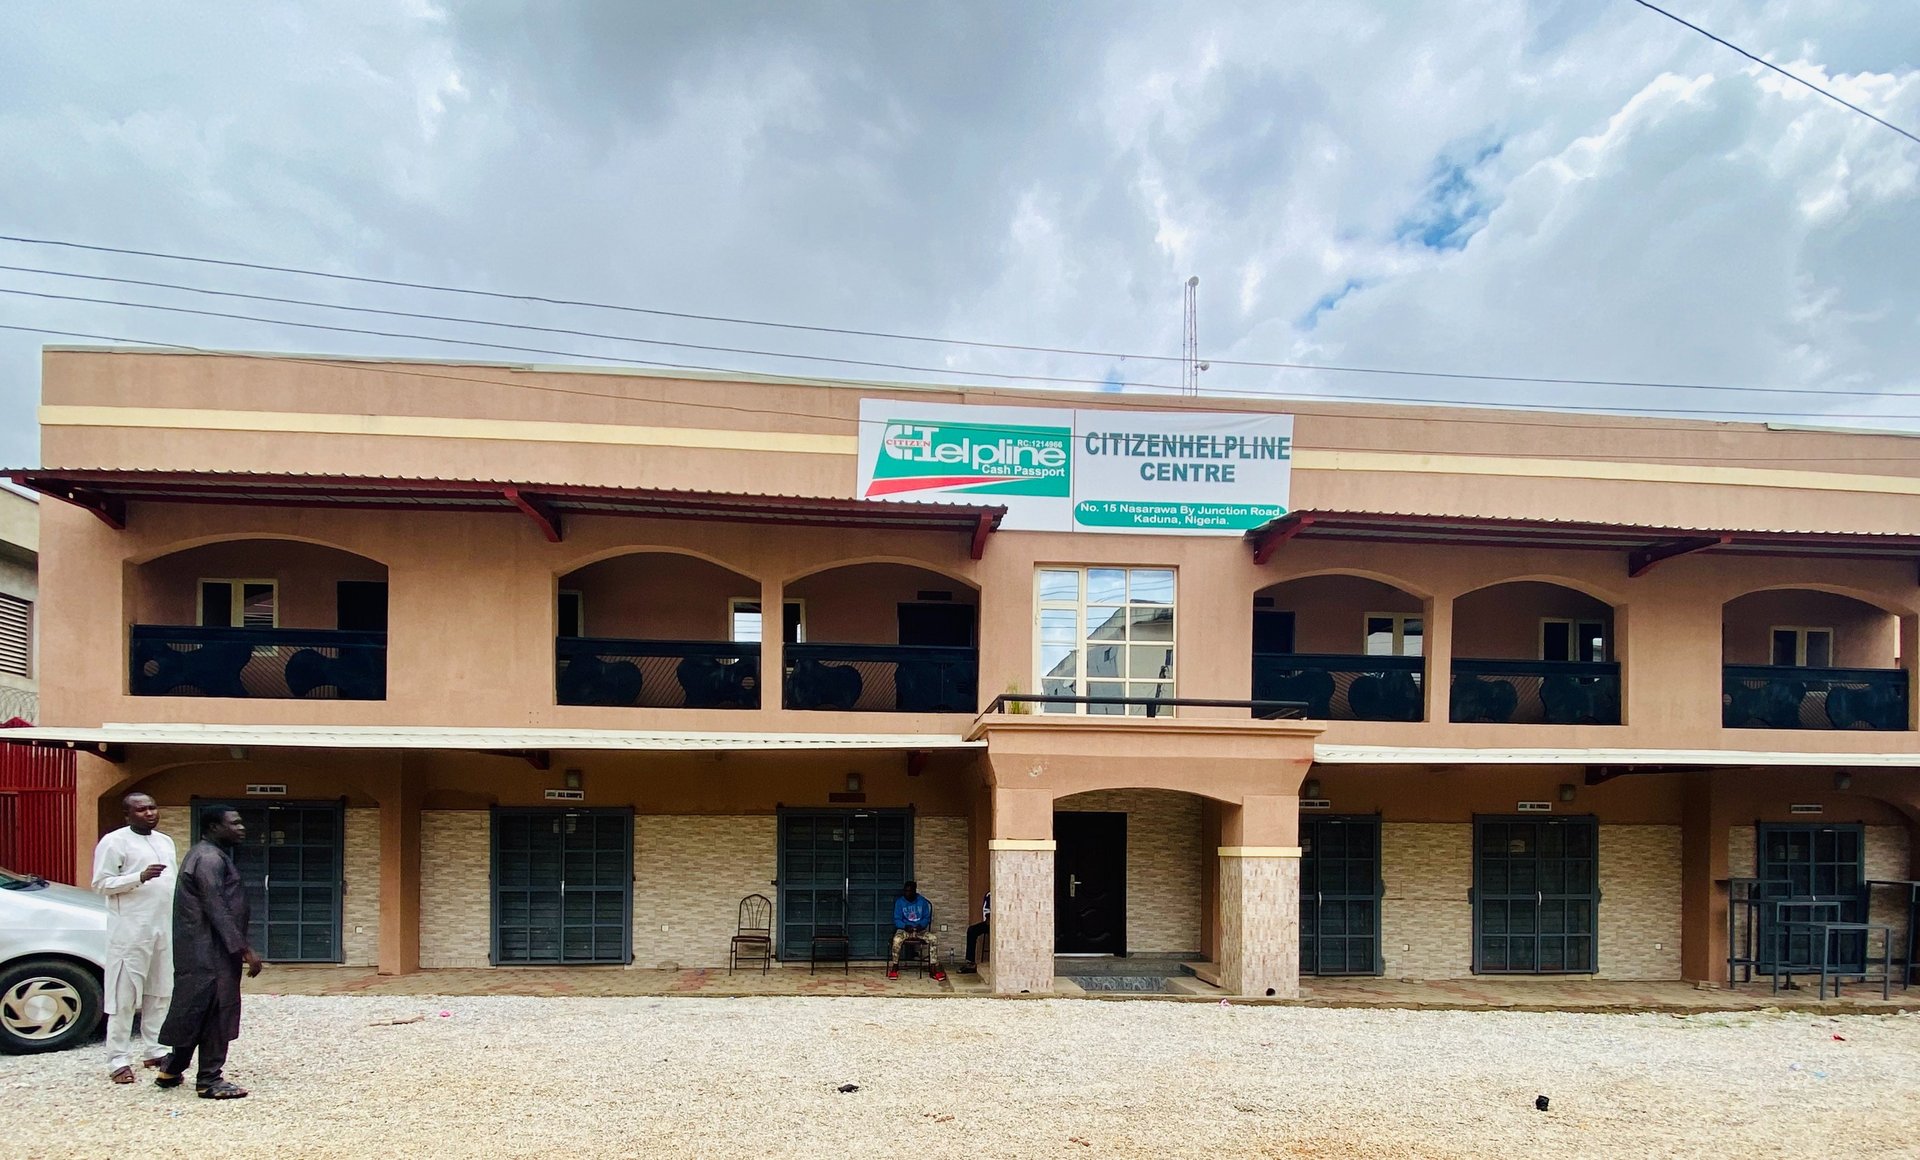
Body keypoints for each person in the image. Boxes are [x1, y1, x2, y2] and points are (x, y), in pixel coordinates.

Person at [154, 806, 262, 1100]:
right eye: (234, 823)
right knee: (216, 1011)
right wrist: (244, 949)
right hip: (211, 951)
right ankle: (209, 1080)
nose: (241, 828)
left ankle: (171, 1069)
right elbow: (217, 907)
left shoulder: (205, 854)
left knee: (194, 1009)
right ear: (214, 827)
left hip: (200, 950)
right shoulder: (209, 858)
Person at [90, 792, 178, 1084]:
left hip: (162, 927)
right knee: (123, 996)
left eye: (152, 807)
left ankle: (155, 1049)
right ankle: (118, 1059)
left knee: (160, 991)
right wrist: (139, 877)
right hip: (129, 930)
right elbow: (101, 883)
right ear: (127, 815)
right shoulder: (114, 842)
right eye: (141, 810)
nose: (149, 813)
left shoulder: (165, 841)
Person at [886, 880, 945, 982]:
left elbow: (927, 918)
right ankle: (895, 966)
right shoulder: (900, 902)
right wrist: (905, 926)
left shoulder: (922, 901)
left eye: (909, 891)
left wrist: (921, 926)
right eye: (905, 891)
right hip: (904, 930)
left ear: (914, 891)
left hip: (919, 930)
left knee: (933, 938)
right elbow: (897, 919)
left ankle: (933, 968)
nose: (907, 893)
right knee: (896, 940)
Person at [960, 890, 990, 973]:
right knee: (972, 930)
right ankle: (970, 962)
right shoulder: (990, 895)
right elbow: (986, 912)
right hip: (990, 924)